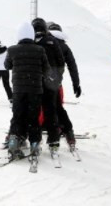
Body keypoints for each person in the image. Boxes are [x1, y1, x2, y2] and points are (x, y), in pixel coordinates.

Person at [4, 22, 51, 159]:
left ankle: (13, 141)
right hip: (35, 89)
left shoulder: (12, 50)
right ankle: (35, 145)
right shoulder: (40, 50)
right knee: (33, 118)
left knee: (17, 116)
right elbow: (46, 69)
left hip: (18, 90)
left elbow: (7, 66)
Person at [31, 17, 65, 154]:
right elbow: (61, 62)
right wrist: (57, 79)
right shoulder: (53, 42)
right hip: (51, 83)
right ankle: (54, 140)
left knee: (34, 111)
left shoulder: (31, 42)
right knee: (51, 111)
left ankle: (35, 139)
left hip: (35, 82)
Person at [47, 22, 81, 149]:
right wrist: (76, 84)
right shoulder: (65, 47)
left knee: (38, 106)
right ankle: (68, 132)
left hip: (41, 81)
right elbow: (72, 66)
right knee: (58, 107)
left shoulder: (44, 42)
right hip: (56, 83)